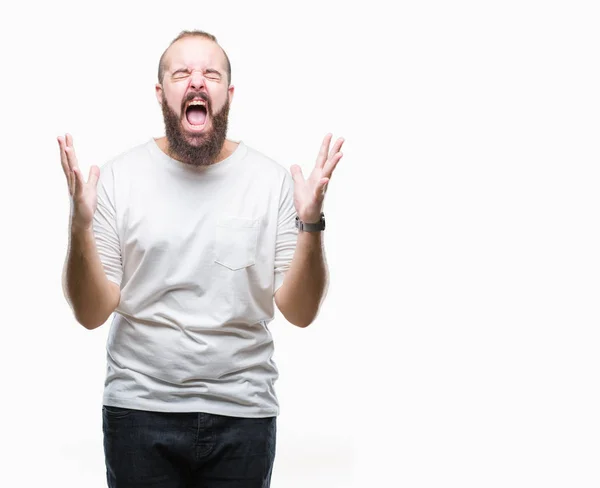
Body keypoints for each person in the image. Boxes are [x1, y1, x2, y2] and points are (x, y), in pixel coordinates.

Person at [59, 29, 344, 488]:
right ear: (161, 93)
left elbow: (302, 312)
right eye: (181, 73)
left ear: (228, 94)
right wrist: (79, 227)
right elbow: (91, 313)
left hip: (243, 413)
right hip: (138, 410)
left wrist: (311, 223)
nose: (197, 81)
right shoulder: (117, 179)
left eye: (210, 73)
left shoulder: (271, 183)